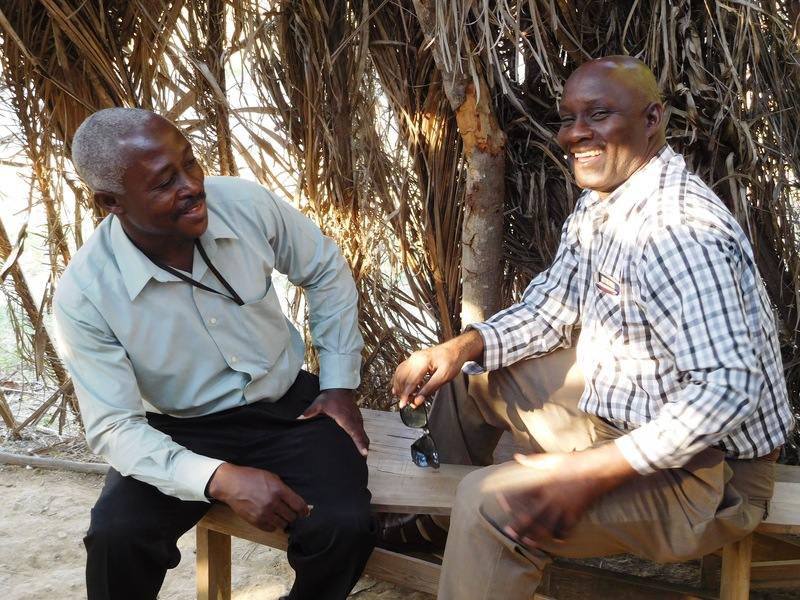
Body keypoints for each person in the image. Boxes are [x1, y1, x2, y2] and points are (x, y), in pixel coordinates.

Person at [384, 56, 794, 599]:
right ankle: (439, 529)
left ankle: (490, 538)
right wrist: (462, 347)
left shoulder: (679, 232)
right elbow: (551, 308)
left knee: (491, 504)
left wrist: (588, 472)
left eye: (598, 115)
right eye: (569, 117)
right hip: (619, 424)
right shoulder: (603, 204)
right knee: (468, 377)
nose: (576, 134)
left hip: (709, 477)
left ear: (652, 119)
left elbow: (727, 389)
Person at [53, 107, 376, 600]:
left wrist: (337, 383)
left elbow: (325, 269)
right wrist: (219, 479)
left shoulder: (244, 204)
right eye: (164, 183)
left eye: (190, 163)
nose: (192, 186)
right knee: (116, 538)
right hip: (178, 426)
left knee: (344, 526)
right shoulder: (86, 293)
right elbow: (115, 427)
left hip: (289, 408)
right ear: (111, 202)